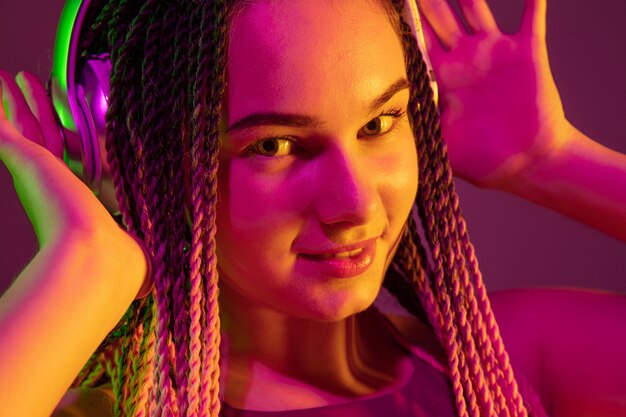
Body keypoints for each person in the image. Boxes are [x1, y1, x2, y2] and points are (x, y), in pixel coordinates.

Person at [0, 0, 625, 416]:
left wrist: (551, 163)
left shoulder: (508, 367)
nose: (353, 204)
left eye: (382, 122)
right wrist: (88, 263)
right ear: (128, 152)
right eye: (274, 146)